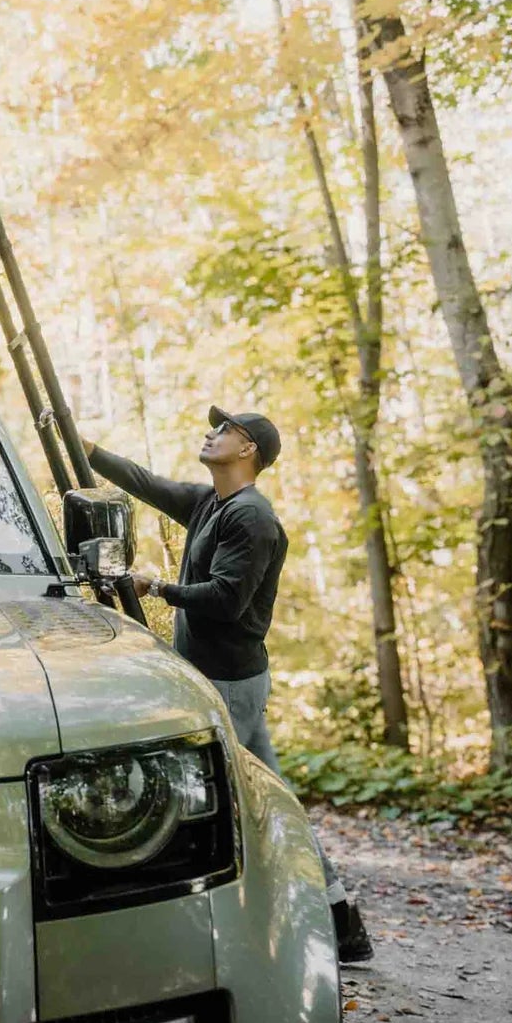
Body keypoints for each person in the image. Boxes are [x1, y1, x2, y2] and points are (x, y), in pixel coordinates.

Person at [87, 407, 373, 965]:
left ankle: (187, 927)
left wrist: (158, 587)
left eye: (224, 430)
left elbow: (226, 599)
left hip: (229, 684)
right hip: (217, 677)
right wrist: (90, 448)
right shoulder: (209, 504)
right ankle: (342, 921)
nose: (210, 433)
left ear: (249, 450)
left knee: (195, 794)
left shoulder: (253, 518)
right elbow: (146, 483)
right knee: (274, 799)